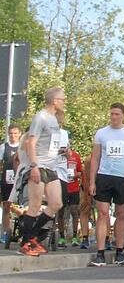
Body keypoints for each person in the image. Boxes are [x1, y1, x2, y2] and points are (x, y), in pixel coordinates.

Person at [89, 102, 124, 266]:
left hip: (122, 178)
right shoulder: (102, 133)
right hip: (104, 176)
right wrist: (92, 181)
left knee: (122, 213)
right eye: (112, 114)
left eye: (117, 114)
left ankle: (120, 251)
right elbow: (95, 157)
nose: (114, 117)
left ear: (123, 115)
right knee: (103, 213)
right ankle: (100, 252)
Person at [16, 87, 66, 257]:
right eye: (62, 99)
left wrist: (60, 152)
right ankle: (26, 242)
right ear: (54, 100)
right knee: (35, 206)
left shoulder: (54, 119)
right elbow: (30, 143)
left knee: (56, 203)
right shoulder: (41, 117)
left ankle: (31, 237)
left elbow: (48, 145)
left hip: (51, 168)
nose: (64, 102)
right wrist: (33, 166)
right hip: (39, 166)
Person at [1, 123, 22, 244]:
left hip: (20, 179)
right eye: (10, 133)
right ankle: (5, 233)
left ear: (19, 134)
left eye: (15, 133)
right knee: (6, 207)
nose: (12, 136)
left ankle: (21, 232)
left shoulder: (23, 147)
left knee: (23, 206)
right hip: (7, 180)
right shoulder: (4, 147)